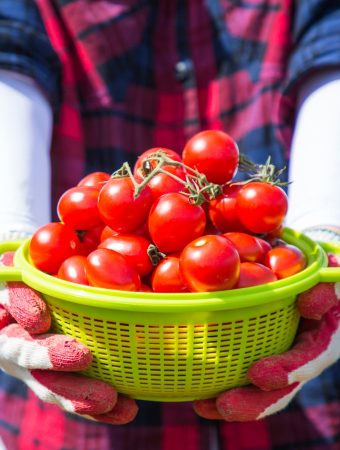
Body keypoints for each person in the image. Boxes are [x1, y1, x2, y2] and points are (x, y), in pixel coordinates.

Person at [0, 0, 340, 449]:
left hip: (285, 394)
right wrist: (9, 226)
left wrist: (327, 224)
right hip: (84, 401)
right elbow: (10, 50)